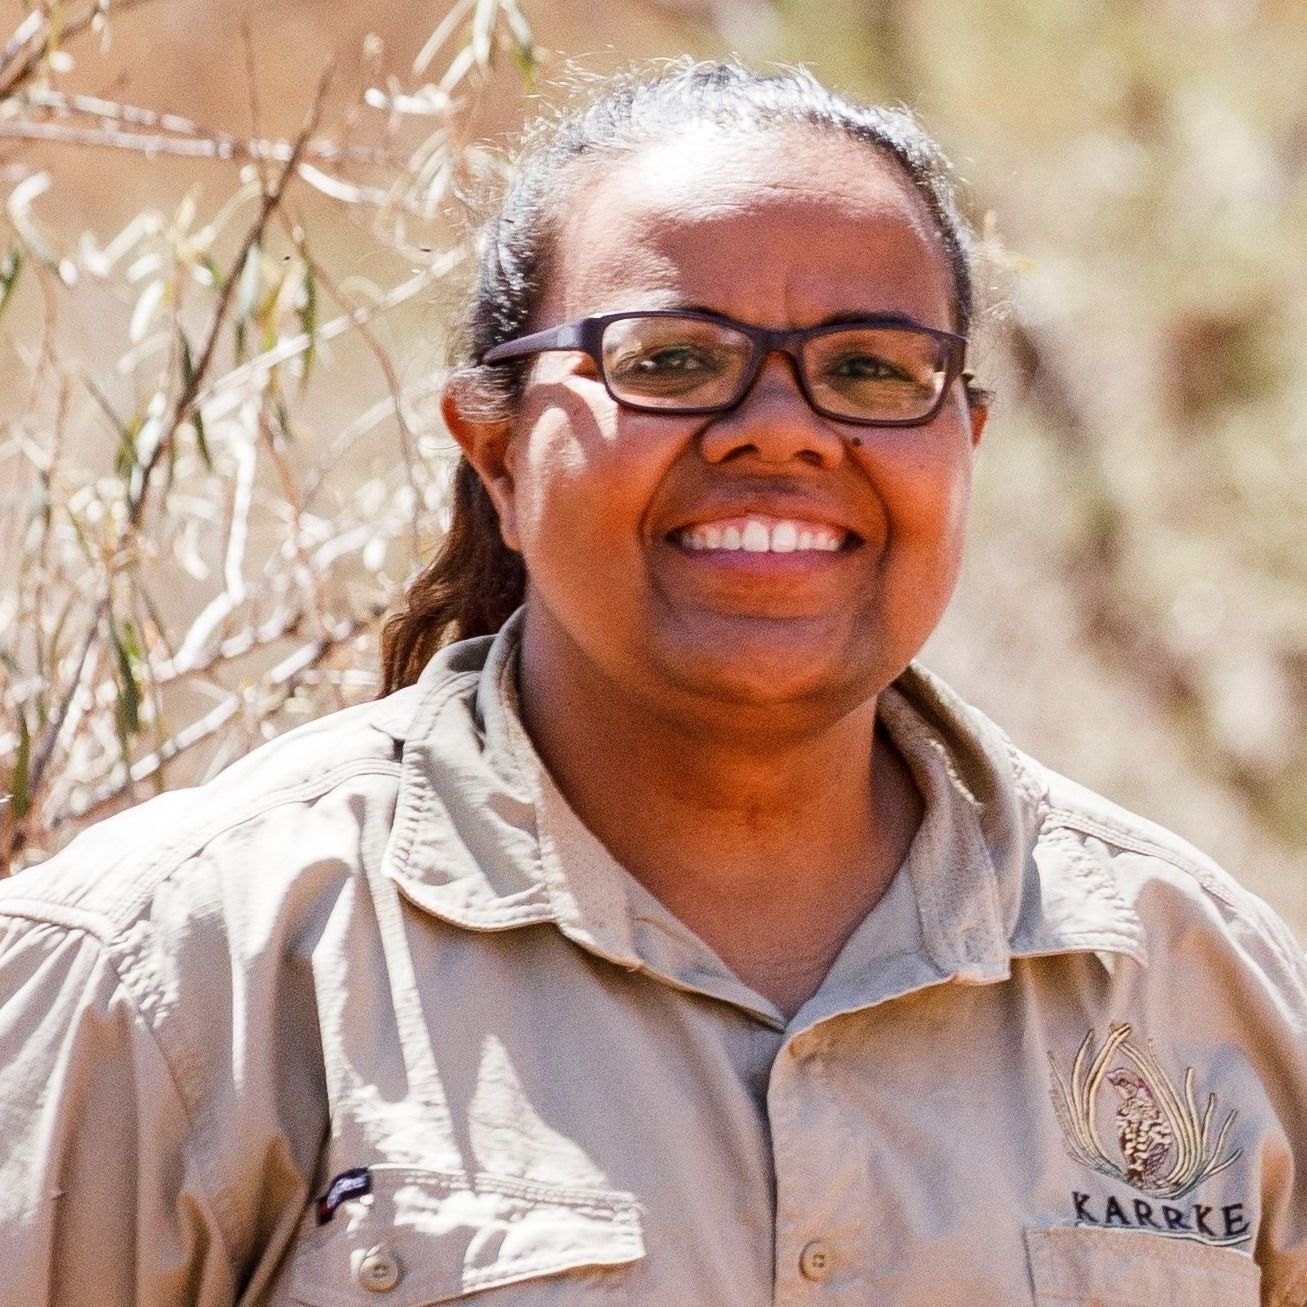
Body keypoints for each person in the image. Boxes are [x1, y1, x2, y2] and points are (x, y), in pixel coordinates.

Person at [1, 59, 1304, 1307]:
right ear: (498, 456)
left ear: (964, 442)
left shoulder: (1206, 992)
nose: (785, 428)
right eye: (670, 360)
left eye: (869, 368)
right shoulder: (176, 979)